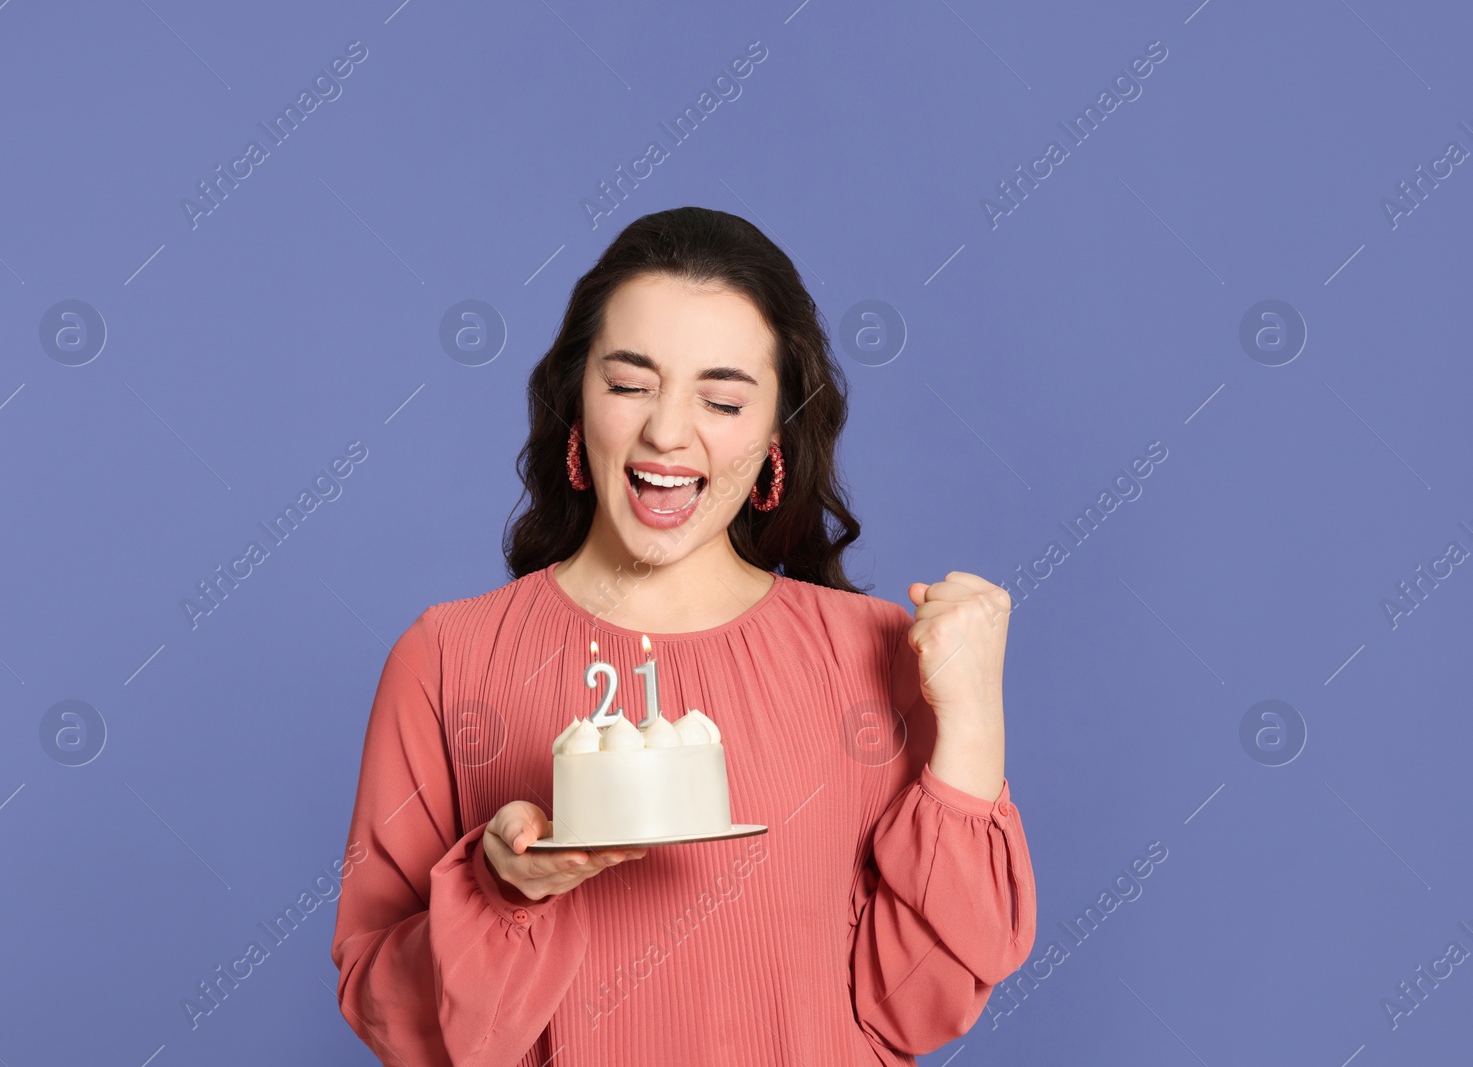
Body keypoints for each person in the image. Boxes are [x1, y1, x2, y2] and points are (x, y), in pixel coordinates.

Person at [330, 206, 1036, 1065]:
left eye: (723, 398)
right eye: (629, 384)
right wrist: (497, 886)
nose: (667, 431)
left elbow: (920, 1008)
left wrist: (972, 723)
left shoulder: (885, 657)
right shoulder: (444, 658)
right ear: (575, 400)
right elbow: (387, 1011)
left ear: (777, 430)